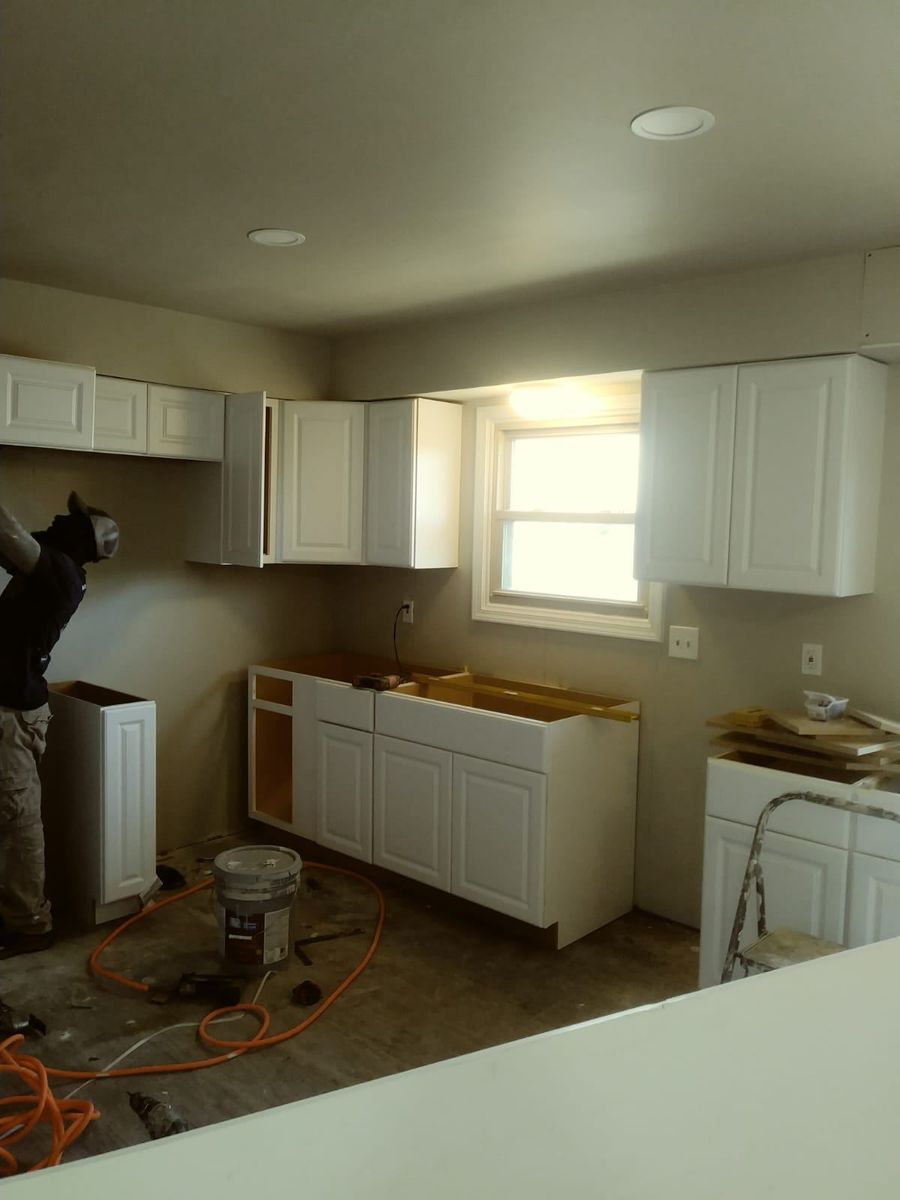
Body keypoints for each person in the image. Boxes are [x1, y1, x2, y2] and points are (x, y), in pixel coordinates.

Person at [0, 492, 119, 959]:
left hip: (12, 716)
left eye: (70, 520)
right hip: (11, 709)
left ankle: (31, 926)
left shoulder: (61, 574)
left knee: (18, 822)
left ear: (85, 539)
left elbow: (8, 533)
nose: (54, 520)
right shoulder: (46, 569)